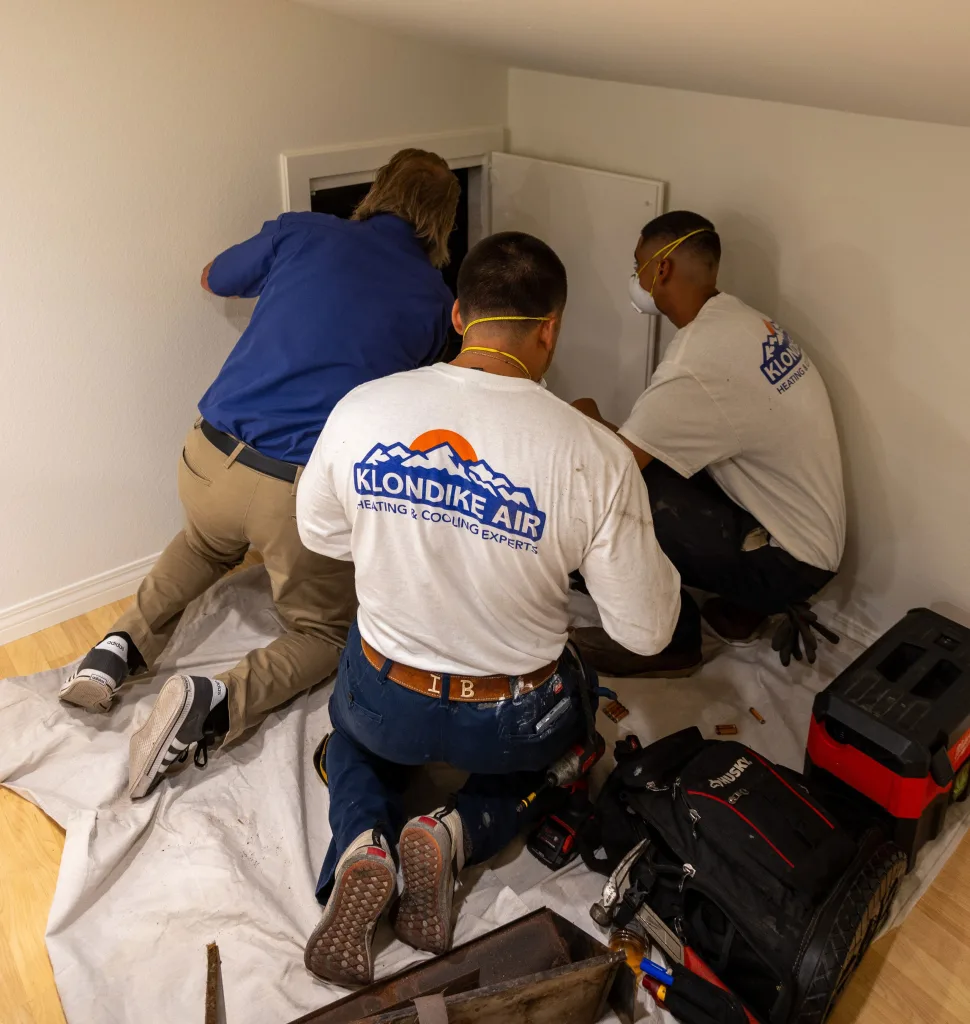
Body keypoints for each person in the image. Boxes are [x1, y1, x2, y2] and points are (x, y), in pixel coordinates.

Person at [295, 231, 681, 986]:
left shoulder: (364, 407)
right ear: (550, 330)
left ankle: (361, 845)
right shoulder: (593, 454)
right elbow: (646, 630)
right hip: (510, 716)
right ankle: (459, 830)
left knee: (350, 739)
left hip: (386, 694)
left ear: (458, 314)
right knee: (578, 738)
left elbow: (320, 532)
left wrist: (407, 535)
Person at [58, 149, 461, 800]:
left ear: (379, 189)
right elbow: (410, 404)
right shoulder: (436, 301)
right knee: (324, 632)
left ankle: (113, 653)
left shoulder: (301, 231)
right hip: (293, 496)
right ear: (442, 221)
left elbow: (214, 276)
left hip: (207, 459)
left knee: (202, 545)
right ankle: (217, 703)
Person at [572, 210, 845, 676]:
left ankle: (669, 644)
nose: (635, 277)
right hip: (807, 537)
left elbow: (614, 470)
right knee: (661, 462)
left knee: (622, 497)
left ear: (661, 269)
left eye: (638, 265)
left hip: (789, 563)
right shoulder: (743, 321)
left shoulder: (697, 362)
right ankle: (745, 606)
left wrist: (583, 414)